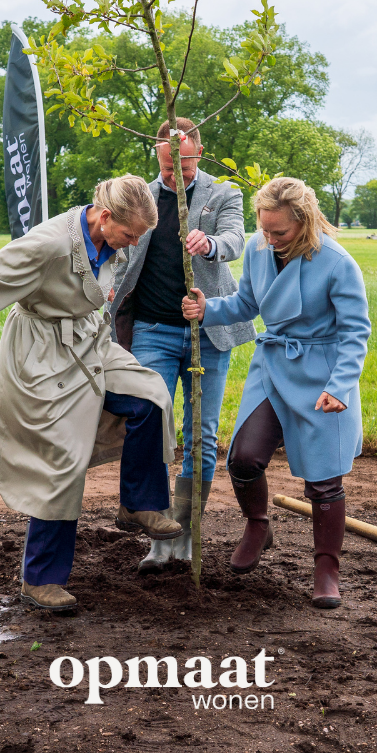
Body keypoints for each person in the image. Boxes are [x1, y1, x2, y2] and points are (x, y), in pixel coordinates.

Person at [0, 175, 181, 613]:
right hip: (43, 353)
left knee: (150, 395)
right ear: (105, 217)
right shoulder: (48, 244)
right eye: (130, 233)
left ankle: (138, 504)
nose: (134, 242)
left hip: (90, 341)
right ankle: (40, 579)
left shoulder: (117, 243)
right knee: (61, 462)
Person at [181, 177, 371, 608]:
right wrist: (208, 308)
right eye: (264, 229)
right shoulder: (257, 247)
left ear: (304, 222)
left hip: (323, 377)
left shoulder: (338, 263)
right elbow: (247, 304)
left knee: (323, 481)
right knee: (244, 458)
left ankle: (327, 571)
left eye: (279, 232)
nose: (269, 239)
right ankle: (258, 525)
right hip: (272, 365)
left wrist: (340, 387)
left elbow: (355, 332)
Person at [108, 117, 253, 573]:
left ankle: (186, 533)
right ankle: (158, 534)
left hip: (208, 334)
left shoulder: (223, 193)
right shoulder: (143, 197)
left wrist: (208, 244)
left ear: (198, 151)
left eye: (183, 167)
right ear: (158, 157)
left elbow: (235, 240)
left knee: (201, 437)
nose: (176, 177)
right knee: (150, 424)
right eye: (168, 169)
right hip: (151, 329)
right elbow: (120, 250)